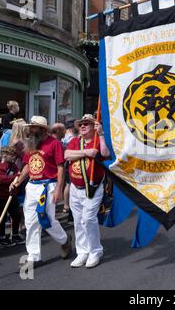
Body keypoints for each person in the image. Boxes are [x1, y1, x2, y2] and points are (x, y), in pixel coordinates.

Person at [10, 116, 71, 268]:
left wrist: (58, 189)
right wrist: (17, 181)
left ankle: (64, 240)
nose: (29, 130)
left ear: (42, 129)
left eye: (33, 127)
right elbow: (27, 166)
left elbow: (60, 168)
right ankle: (33, 257)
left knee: (47, 220)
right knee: (30, 222)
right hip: (32, 185)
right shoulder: (31, 143)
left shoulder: (54, 143)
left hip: (48, 185)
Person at [65, 114, 110, 268]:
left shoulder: (98, 140)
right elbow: (67, 155)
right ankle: (82, 251)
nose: (83, 126)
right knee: (78, 221)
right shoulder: (74, 142)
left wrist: (102, 135)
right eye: (81, 124)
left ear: (94, 127)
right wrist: (86, 153)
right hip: (74, 188)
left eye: (87, 124)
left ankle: (96, 251)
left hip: (93, 187)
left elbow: (105, 154)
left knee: (88, 219)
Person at [0, 147, 24, 246]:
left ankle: (14, 234)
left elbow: (18, 174)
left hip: (12, 195)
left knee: (16, 214)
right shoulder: (0, 167)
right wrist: (14, 177)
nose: (13, 157)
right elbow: (1, 179)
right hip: (1, 196)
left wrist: (16, 177)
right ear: (4, 156)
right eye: (11, 155)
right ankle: (2, 237)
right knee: (2, 217)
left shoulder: (13, 165)